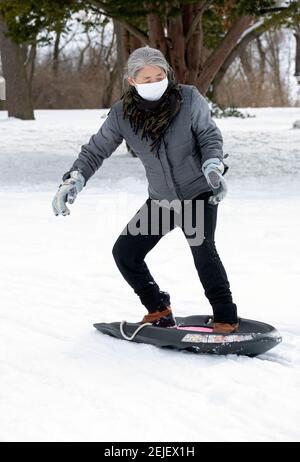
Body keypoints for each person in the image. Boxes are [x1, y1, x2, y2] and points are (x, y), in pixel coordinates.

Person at [52, 46, 239, 334]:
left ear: (168, 74)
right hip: (162, 201)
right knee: (125, 253)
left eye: (159, 75)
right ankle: (158, 309)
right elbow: (95, 151)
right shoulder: (122, 115)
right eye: (147, 79)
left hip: (198, 193)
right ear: (132, 81)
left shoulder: (188, 98)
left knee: (202, 250)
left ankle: (225, 317)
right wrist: (73, 179)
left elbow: (208, 135)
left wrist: (213, 165)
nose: (155, 83)